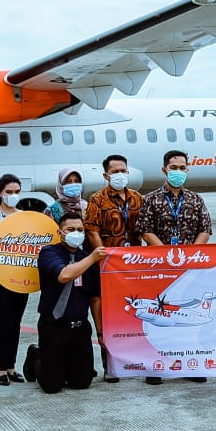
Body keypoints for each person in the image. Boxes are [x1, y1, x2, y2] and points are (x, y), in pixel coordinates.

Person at [134, 150, 213, 383]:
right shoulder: (150, 199)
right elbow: (145, 230)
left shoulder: (196, 199)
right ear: (164, 170)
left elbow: (205, 229)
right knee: (158, 316)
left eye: (182, 168)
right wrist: (164, 253)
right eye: (173, 167)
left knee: (186, 318)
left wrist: (190, 254)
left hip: (188, 269)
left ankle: (191, 364)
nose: (178, 172)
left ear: (187, 170)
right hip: (159, 267)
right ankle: (156, 366)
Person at [24, 215, 108, 393]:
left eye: (80, 230)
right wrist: (92, 258)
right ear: (60, 232)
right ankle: (35, 355)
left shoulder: (86, 258)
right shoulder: (49, 253)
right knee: (52, 386)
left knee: (81, 382)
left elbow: (95, 299)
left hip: (79, 327)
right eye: (71, 230)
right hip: (54, 325)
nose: (76, 234)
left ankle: (67, 366)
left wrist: (100, 332)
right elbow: (65, 275)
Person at [84, 154, 142, 382]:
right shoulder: (97, 200)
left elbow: (145, 228)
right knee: (108, 317)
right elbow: (91, 230)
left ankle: (137, 361)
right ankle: (110, 366)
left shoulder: (138, 198)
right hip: (108, 266)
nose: (120, 175)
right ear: (106, 175)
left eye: (123, 171)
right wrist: (105, 258)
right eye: (115, 172)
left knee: (134, 312)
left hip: (134, 266)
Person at [0, 173, 31, 386]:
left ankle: (12, 367)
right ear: (0, 193)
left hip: (21, 275)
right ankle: (1, 368)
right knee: (5, 320)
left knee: (16, 322)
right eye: (9, 192)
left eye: (16, 192)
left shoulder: (24, 216)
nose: (13, 196)